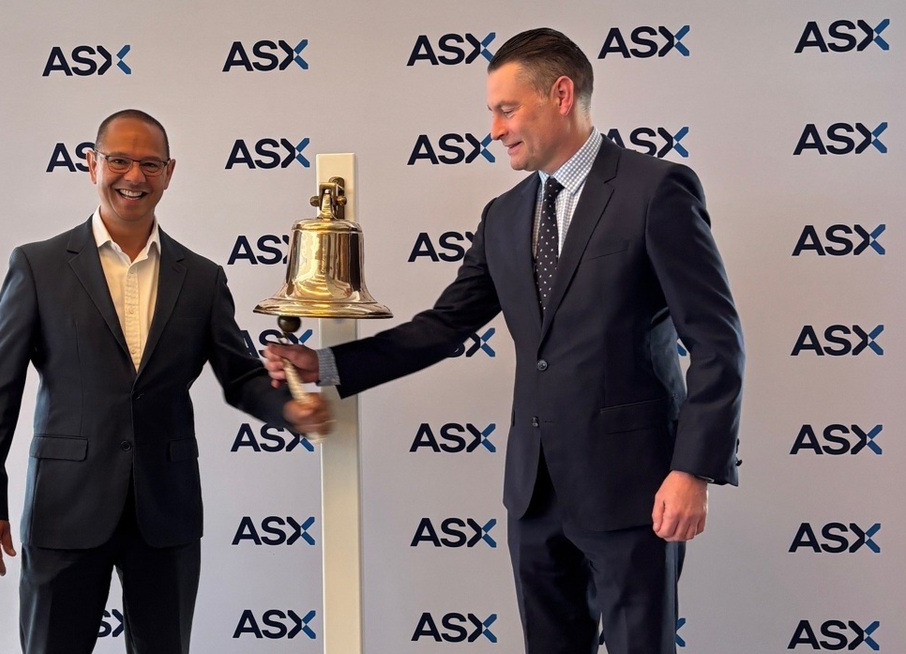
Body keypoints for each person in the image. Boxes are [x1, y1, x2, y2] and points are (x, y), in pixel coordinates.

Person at [265, 28, 743, 654]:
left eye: (506, 108)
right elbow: (444, 326)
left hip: (635, 490)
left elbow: (716, 343)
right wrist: (324, 363)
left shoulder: (656, 190)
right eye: (492, 111)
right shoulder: (504, 216)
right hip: (535, 493)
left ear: (562, 94)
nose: (493, 129)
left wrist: (691, 470)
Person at [0, 108, 331, 654]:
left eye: (150, 164)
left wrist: (290, 411)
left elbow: (241, 375)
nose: (135, 176)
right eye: (120, 161)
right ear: (92, 164)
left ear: (169, 172)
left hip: (166, 510)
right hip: (66, 509)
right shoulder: (38, 266)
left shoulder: (201, 277)